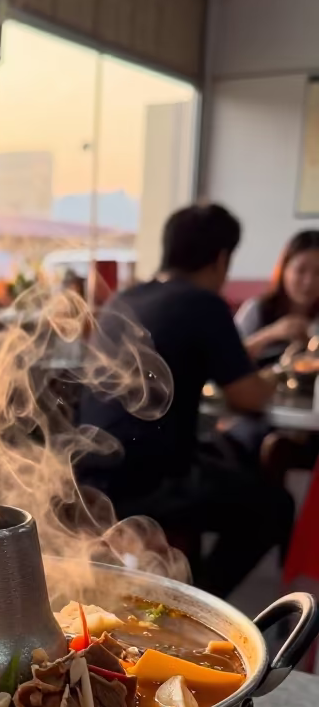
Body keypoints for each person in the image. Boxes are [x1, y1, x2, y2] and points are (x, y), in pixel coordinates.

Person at [78, 203, 294, 599]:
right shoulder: (203, 303)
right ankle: (198, 604)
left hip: (88, 473)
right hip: (146, 481)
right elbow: (247, 396)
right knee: (274, 506)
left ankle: (186, 591)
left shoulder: (125, 299)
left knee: (227, 460)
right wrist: (273, 378)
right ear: (222, 258)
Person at [235, 229, 319, 363]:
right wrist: (271, 333)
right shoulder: (258, 309)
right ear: (284, 270)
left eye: (318, 272)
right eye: (300, 270)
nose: (309, 282)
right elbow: (225, 359)